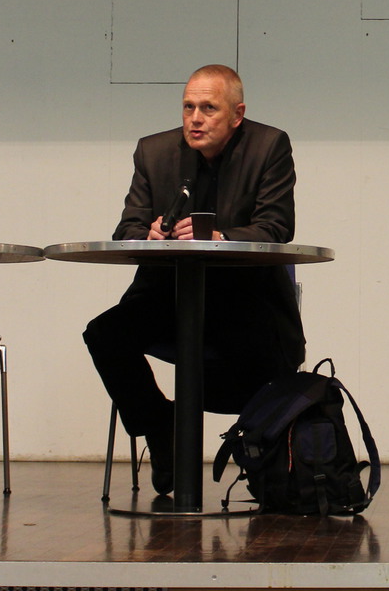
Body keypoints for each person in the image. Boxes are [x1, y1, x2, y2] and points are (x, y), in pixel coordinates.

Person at [82, 64, 305, 496]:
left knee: (253, 371)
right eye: (188, 107)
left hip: (245, 301)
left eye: (208, 108)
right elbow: (127, 228)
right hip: (168, 296)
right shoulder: (153, 151)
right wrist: (148, 233)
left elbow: (276, 227)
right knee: (105, 335)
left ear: (237, 114)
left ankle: (267, 469)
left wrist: (220, 237)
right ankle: (160, 427)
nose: (195, 119)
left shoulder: (268, 146)